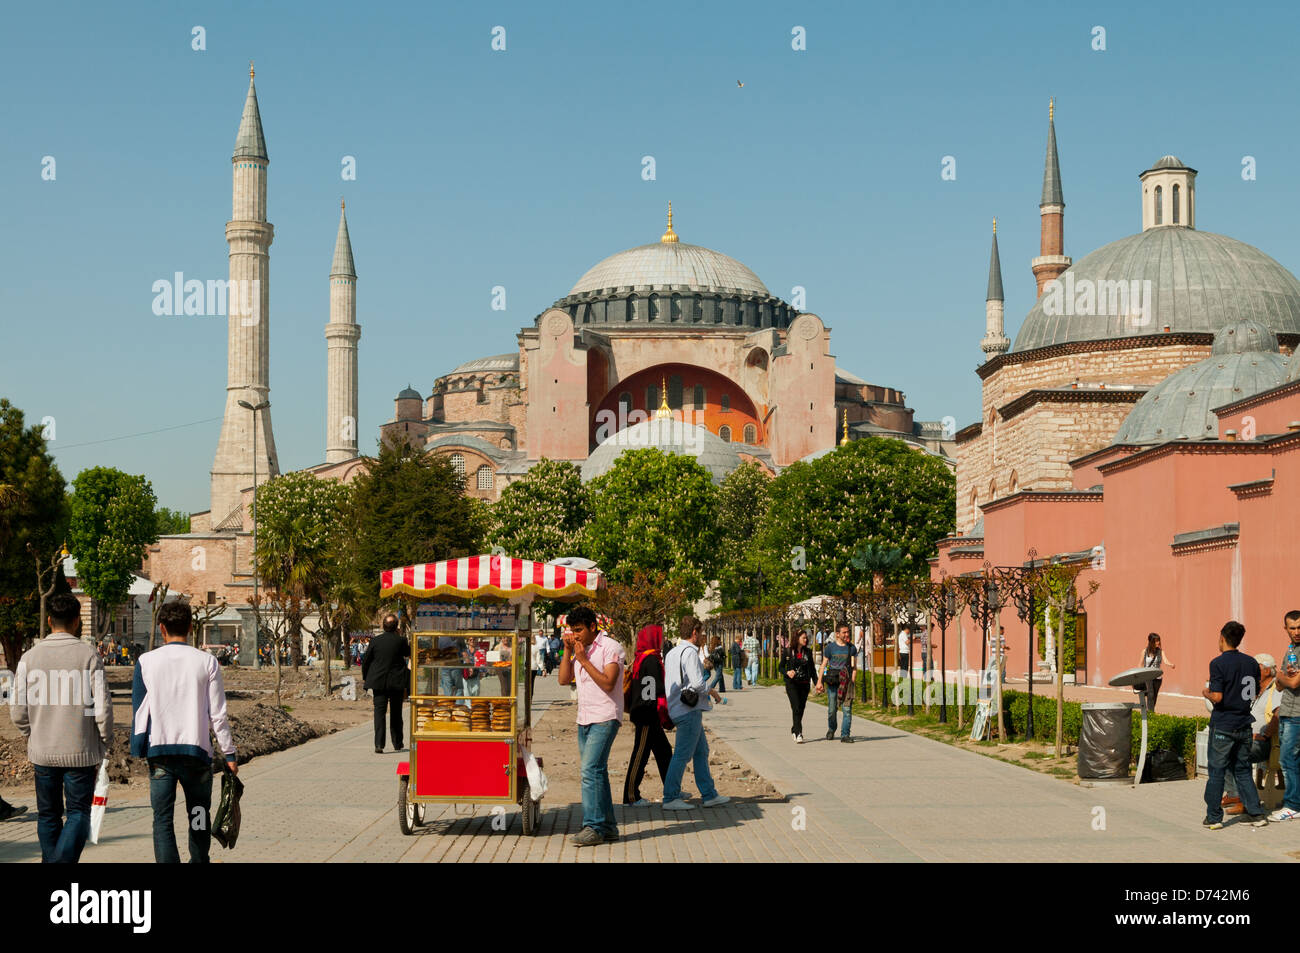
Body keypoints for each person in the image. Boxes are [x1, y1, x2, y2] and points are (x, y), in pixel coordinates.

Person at [130, 601, 237, 863]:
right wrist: (230, 753)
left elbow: (140, 710)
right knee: (199, 813)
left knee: (162, 819)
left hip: (161, 754)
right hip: (197, 754)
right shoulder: (207, 662)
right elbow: (217, 714)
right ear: (191, 627)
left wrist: (138, 747)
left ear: (161, 628)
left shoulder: (146, 662)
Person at [11, 593, 112, 862]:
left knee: (48, 814)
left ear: (48, 620)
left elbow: (17, 709)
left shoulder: (29, 658)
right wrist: (105, 739)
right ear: (77, 621)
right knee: (78, 812)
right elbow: (101, 706)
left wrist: (29, 733)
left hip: (42, 750)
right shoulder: (88, 655)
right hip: (80, 749)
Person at [557, 605, 624, 846]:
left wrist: (583, 659)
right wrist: (568, 653)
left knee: (589, 771)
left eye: (579, 630)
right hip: (584, 718)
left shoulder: (610, 648)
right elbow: (564, 680)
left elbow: (608, 683)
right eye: (572, 631)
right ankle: (608, 827)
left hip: (605, 717)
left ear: (592, 627)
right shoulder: (578, 650)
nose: (575, 635)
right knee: (598, 772)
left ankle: (593, 826)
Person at [1201, 620, 1269, 829]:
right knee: (1243, 770)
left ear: (1222, 638)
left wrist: (1206, 693)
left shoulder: (1218, 663)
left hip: (1224, 724)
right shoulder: (1250, 663)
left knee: (1217, 771)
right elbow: (1254, 691)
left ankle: (1214, 817)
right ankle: (1256, 814)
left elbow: (1218, 697)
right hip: (1244, 724)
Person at [662, 615, 728, 810]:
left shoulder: (672, 652)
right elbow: (698, 683)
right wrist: (713, 692)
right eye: (701, 633)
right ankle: (670, 797)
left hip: (677, 706)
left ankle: (709, 794)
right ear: (694, 633)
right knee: (682, 754)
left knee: (701, 751)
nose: (702, 638)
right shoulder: (690, 653)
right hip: (688, 710)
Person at [1223, 653, 1279, 815]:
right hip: (1248, 738)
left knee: (1238, 754)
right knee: (1224, 749)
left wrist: (1265, 735)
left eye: (1255, 668)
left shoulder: (1276, 689)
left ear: (1267, 670)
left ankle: (1244, 801)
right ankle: (1235, 795)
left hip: (1265, 742)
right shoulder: (1256, 690)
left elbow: (1278, 715)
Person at [622, 625, 672, 806]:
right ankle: (630, 796)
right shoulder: (651, 660)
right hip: (646, 715)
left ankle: (672, 789)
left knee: (664, 752)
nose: (663, 639)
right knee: (640, 754)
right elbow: (653, 688)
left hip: (648, 714)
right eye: (660, 636)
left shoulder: (642, 657)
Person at [361, 614, 410, 754]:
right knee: (396, 713)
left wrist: (366, 677)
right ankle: (397, 743)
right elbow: (408, 654)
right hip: (397, 682)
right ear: (396, 627)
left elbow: (366, 660)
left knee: (379, 713)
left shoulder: (375, 641)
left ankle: (379, 744)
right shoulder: (401, 640)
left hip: (378, 682)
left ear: (383, 626)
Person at [1270, 610, 1300, 822]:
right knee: (1292, 760)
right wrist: (1282, 677)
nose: (1297, 632)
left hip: (1297, 714)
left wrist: (1278, 675)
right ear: (1285, 629)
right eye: (1293, 628)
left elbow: (1293, 683)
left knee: (1288, 760)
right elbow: (1280, 687)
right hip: (1287, 711)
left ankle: (1292, 805)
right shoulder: (1291, 650)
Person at [816, 620, 858, 743]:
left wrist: (852, 681)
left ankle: (845, 735)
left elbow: (854, 667)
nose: (846, 634)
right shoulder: (830, 648)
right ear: (837, 634)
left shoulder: (852, 648)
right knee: (832, 709)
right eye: (844, 632)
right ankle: (832, 728)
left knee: (847, 710)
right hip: (833, 682)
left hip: (846, 683)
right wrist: (820, 681)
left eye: (848, 632)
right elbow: (823, 666)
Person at [781, 629, 817, 743]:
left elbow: (812, 669)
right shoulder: (788, 651)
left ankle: (794, 728)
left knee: (801, 708)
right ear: (797, 639)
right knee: (796, 707)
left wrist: (817, 683)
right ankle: (798, 733)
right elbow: (781, 667)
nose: (806, 640)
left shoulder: (808, 652)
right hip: (792, 684)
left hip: (804, 684)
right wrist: (787, 672)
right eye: (804, 638)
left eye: (806, 638)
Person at [1137, 633, 1175, 710]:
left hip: (1158, 677)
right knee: (1150, 694)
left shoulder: (1160, 652)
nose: (1158, 643)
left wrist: (1171, 664)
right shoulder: (1144, 652)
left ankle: (1150, 711)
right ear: (1151, 642)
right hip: (1148, 676)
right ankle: (1151, 712)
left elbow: (1165, 660)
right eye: (1156, 641)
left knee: (1154, 696)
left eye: (1158, 641)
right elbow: (1140, 664)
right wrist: (1139, 674)